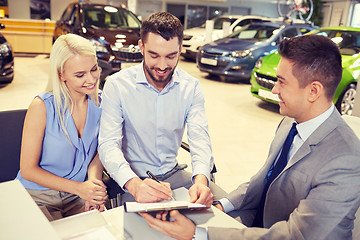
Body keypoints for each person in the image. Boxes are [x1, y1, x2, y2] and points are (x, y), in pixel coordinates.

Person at [140, 34, 360, 239]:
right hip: (258, 223)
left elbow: (295, 235)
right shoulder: (290, 123)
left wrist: (199, 234)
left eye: (282, 82)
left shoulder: (346, 159)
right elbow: (263, 180)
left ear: (313, 91)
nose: (274, 89)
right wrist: (220, 206)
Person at [98, 12, 226, 206]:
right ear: (141, 47)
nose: (162, 65)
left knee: (232, 208)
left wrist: (201, 181)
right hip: (134, 180)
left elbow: (200, 140)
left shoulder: (190, 87)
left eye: (171, 56)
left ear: (180, 49)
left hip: (174, 175)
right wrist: (134, 185)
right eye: (154, 55)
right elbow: (108, 145)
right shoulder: (117, 85)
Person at [16, 33, 108, 221]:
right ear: (61, 74)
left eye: (94, 69)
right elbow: (28, 169)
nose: (91, 79)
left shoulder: (103, 102)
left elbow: (100, 151)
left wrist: (93, 185)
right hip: (37, 197)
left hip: (78, 195)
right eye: (80, 75)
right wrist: (80, 188)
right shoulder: (42, 107)